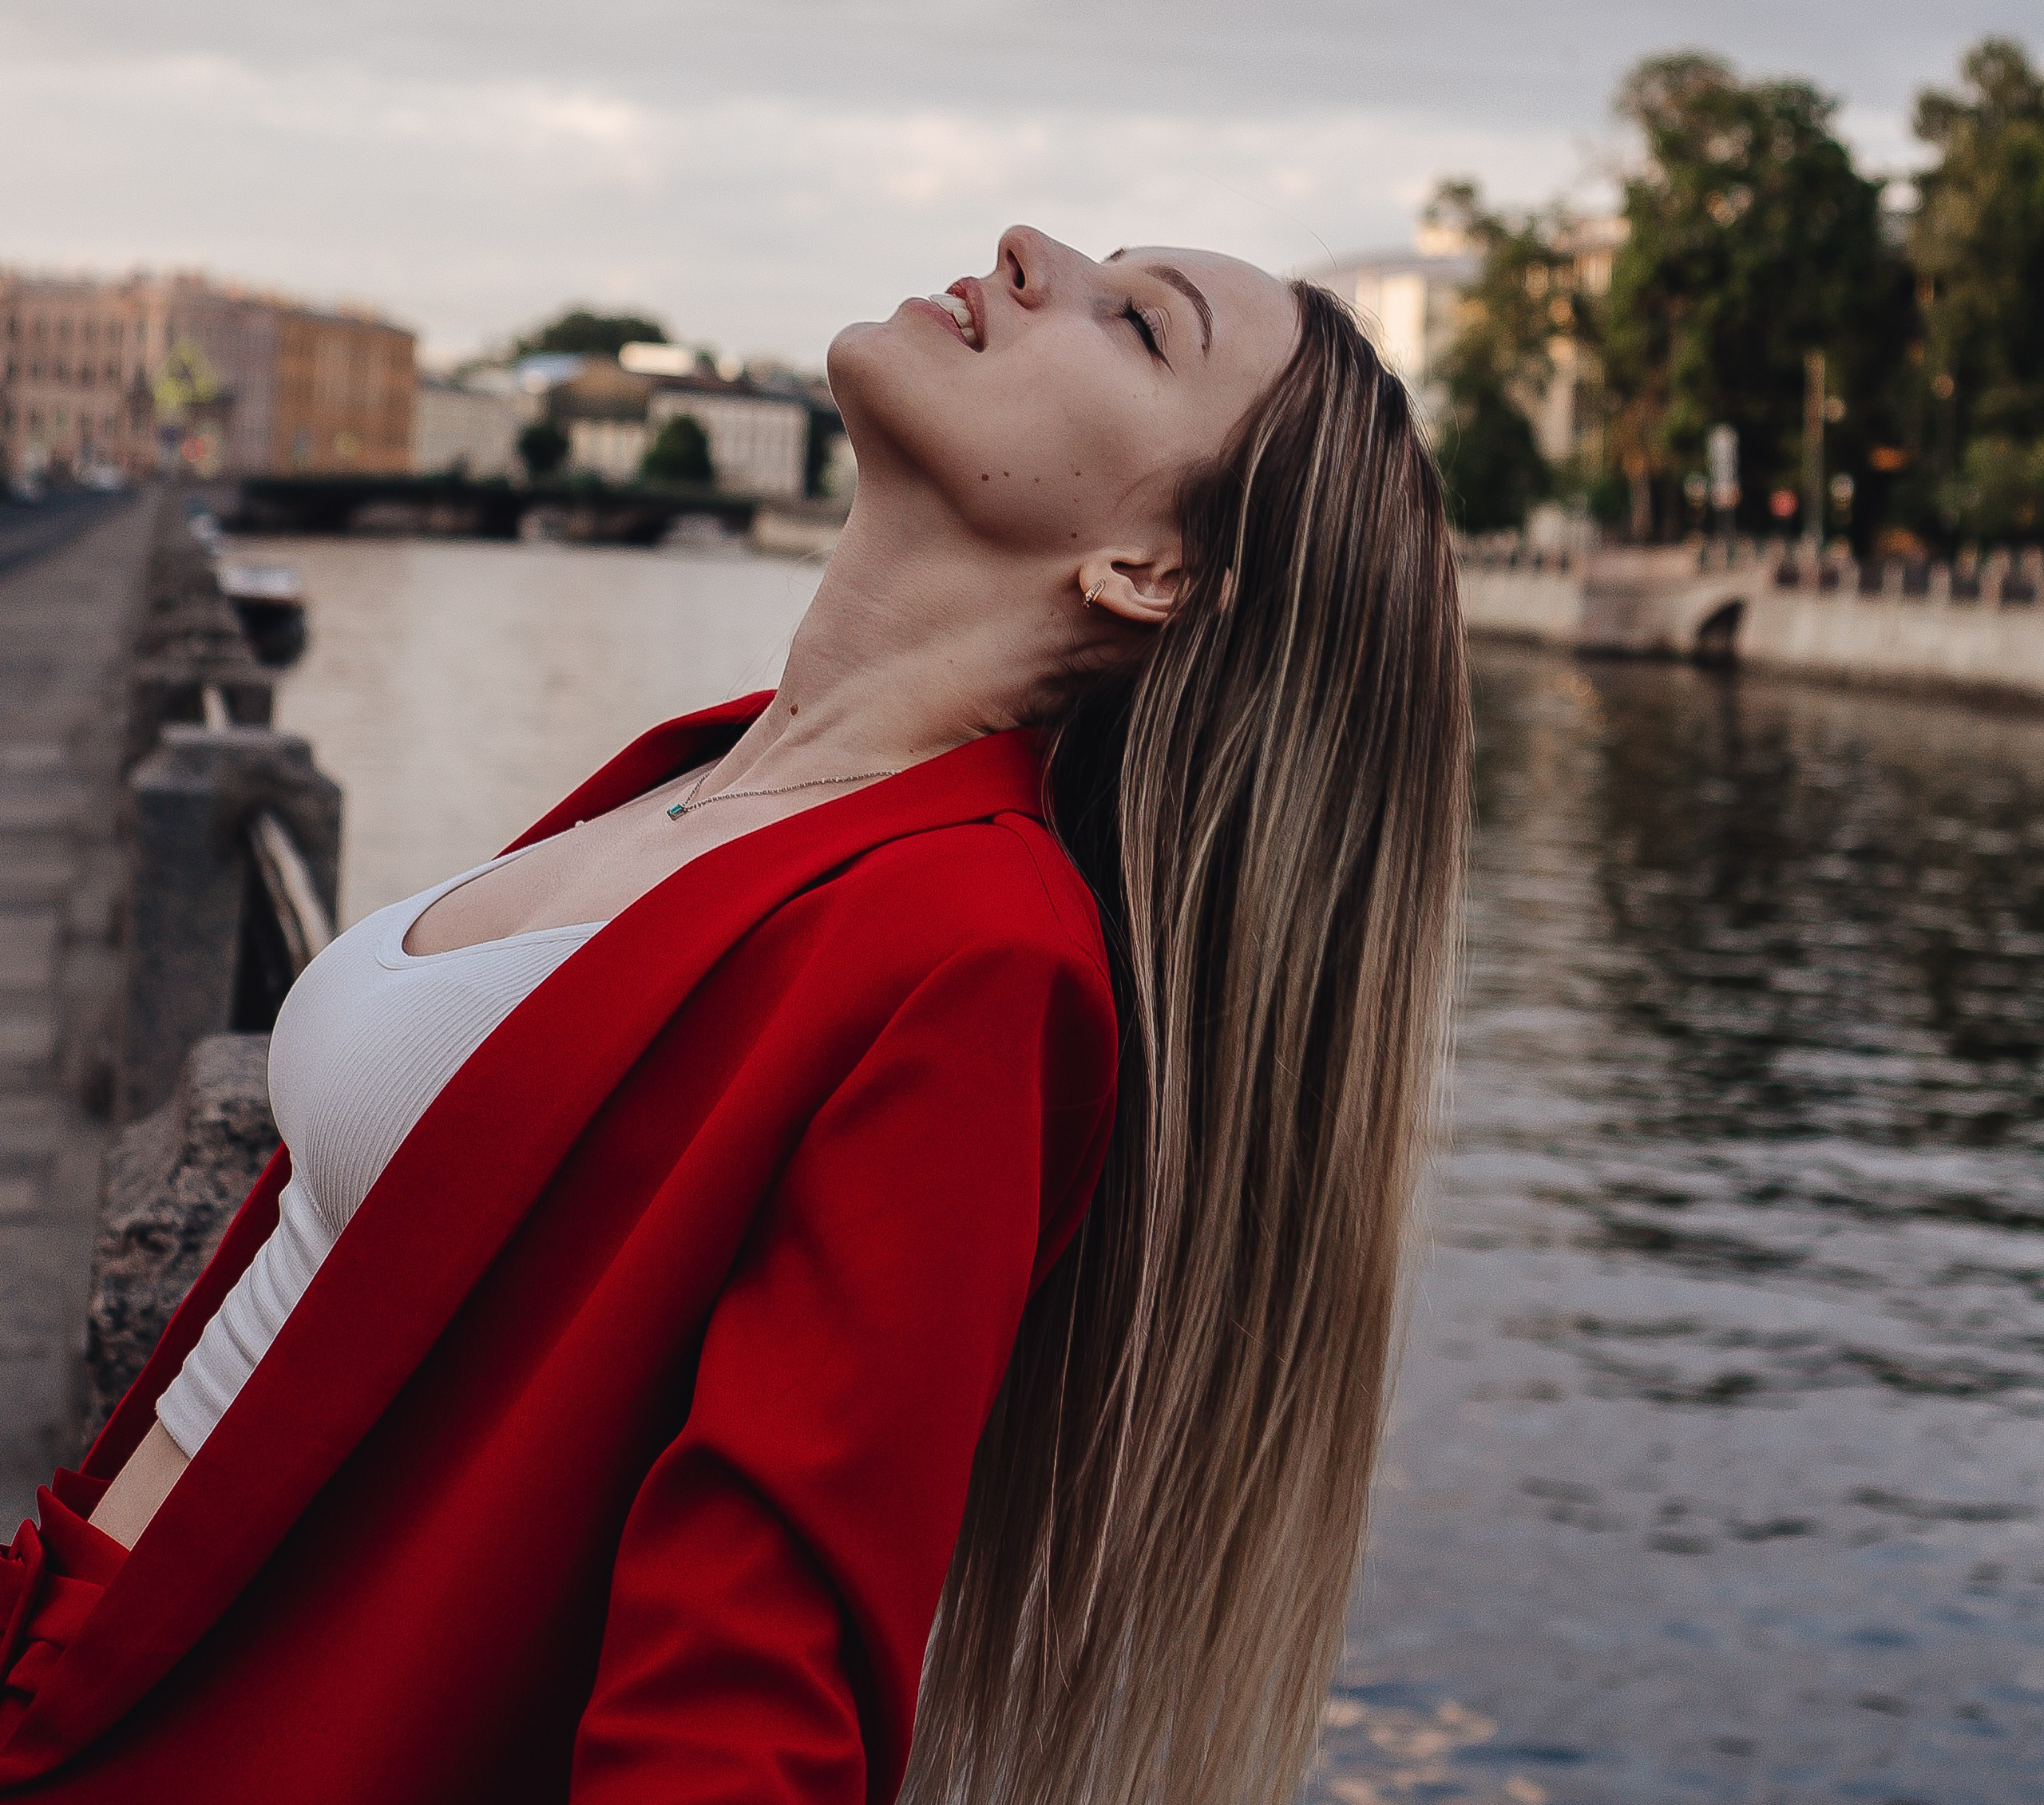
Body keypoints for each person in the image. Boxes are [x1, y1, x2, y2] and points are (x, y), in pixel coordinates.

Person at [0, 226, 1468, 1805]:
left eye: (1138, 326)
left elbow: (750, 1670)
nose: (1029, 249)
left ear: (1149, 570)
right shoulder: (706, 770)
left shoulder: (977, 953)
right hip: (72, 1658)